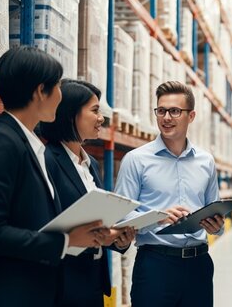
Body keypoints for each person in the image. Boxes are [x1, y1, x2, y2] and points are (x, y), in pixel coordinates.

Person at [0, 47, 108, 307]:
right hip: (5, 295)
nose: (61, 96)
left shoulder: (28, 144)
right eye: (58, 86)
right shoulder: (1, 143)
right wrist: (67, 241)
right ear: (40, 91)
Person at [113, 81, 225, 307]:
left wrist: (216, 225)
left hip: (199, 265)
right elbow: (119, 218)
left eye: (175, 111)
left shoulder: (206, 161)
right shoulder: (136, 160)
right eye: (161, 110)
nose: (166, 117)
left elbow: (215, 212)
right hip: (156, 265)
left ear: (191, 116)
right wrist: (157, 216)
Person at [41, 79, 137, 307]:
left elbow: (96, 220)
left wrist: (118, 239)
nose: (101, 118)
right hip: (62, 283)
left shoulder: (90, 163)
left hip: (92, 279)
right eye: (95, 110)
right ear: (71, 114)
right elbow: (45, 226)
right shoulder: (46, 160)